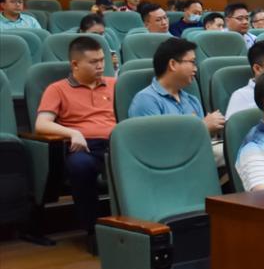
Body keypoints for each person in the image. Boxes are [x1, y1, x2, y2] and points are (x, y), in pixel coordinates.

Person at [34, 37, 116, 240]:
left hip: (117, 144)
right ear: (75, 64)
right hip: (84, 147)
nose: (100, 66)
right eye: (93, 62)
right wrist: (73, 133)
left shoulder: (115, 84)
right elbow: (41, 124)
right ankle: (93, 230)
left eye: (102, 60)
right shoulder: (57, 89)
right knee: (80, 166)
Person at [128, 37, 226, 164]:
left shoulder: (192, 100)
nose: (195, 69)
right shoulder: (146, 100)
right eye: (192, 62)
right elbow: (155, 146)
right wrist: (203, 127)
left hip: (196, 158)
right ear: (173, 64)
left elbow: (201, 142)